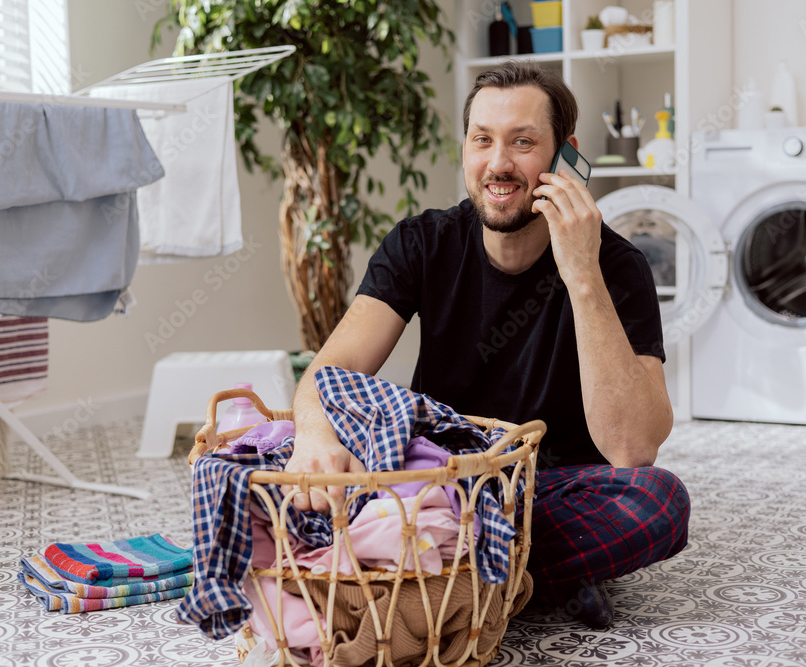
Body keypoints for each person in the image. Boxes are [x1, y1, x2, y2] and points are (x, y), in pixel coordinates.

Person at [284, 61, 690, 628]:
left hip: (547, 487)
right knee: (289, 471)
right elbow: (331, 371)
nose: (498, 164)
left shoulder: (617, 267)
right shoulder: (421, 243)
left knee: (657, 504)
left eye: (523, 142)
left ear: (564, 157)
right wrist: (313, 432)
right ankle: (513, 573)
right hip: (439, 483)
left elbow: (633, 449)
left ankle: (430, 572)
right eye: (482, 140)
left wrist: (581, 275)